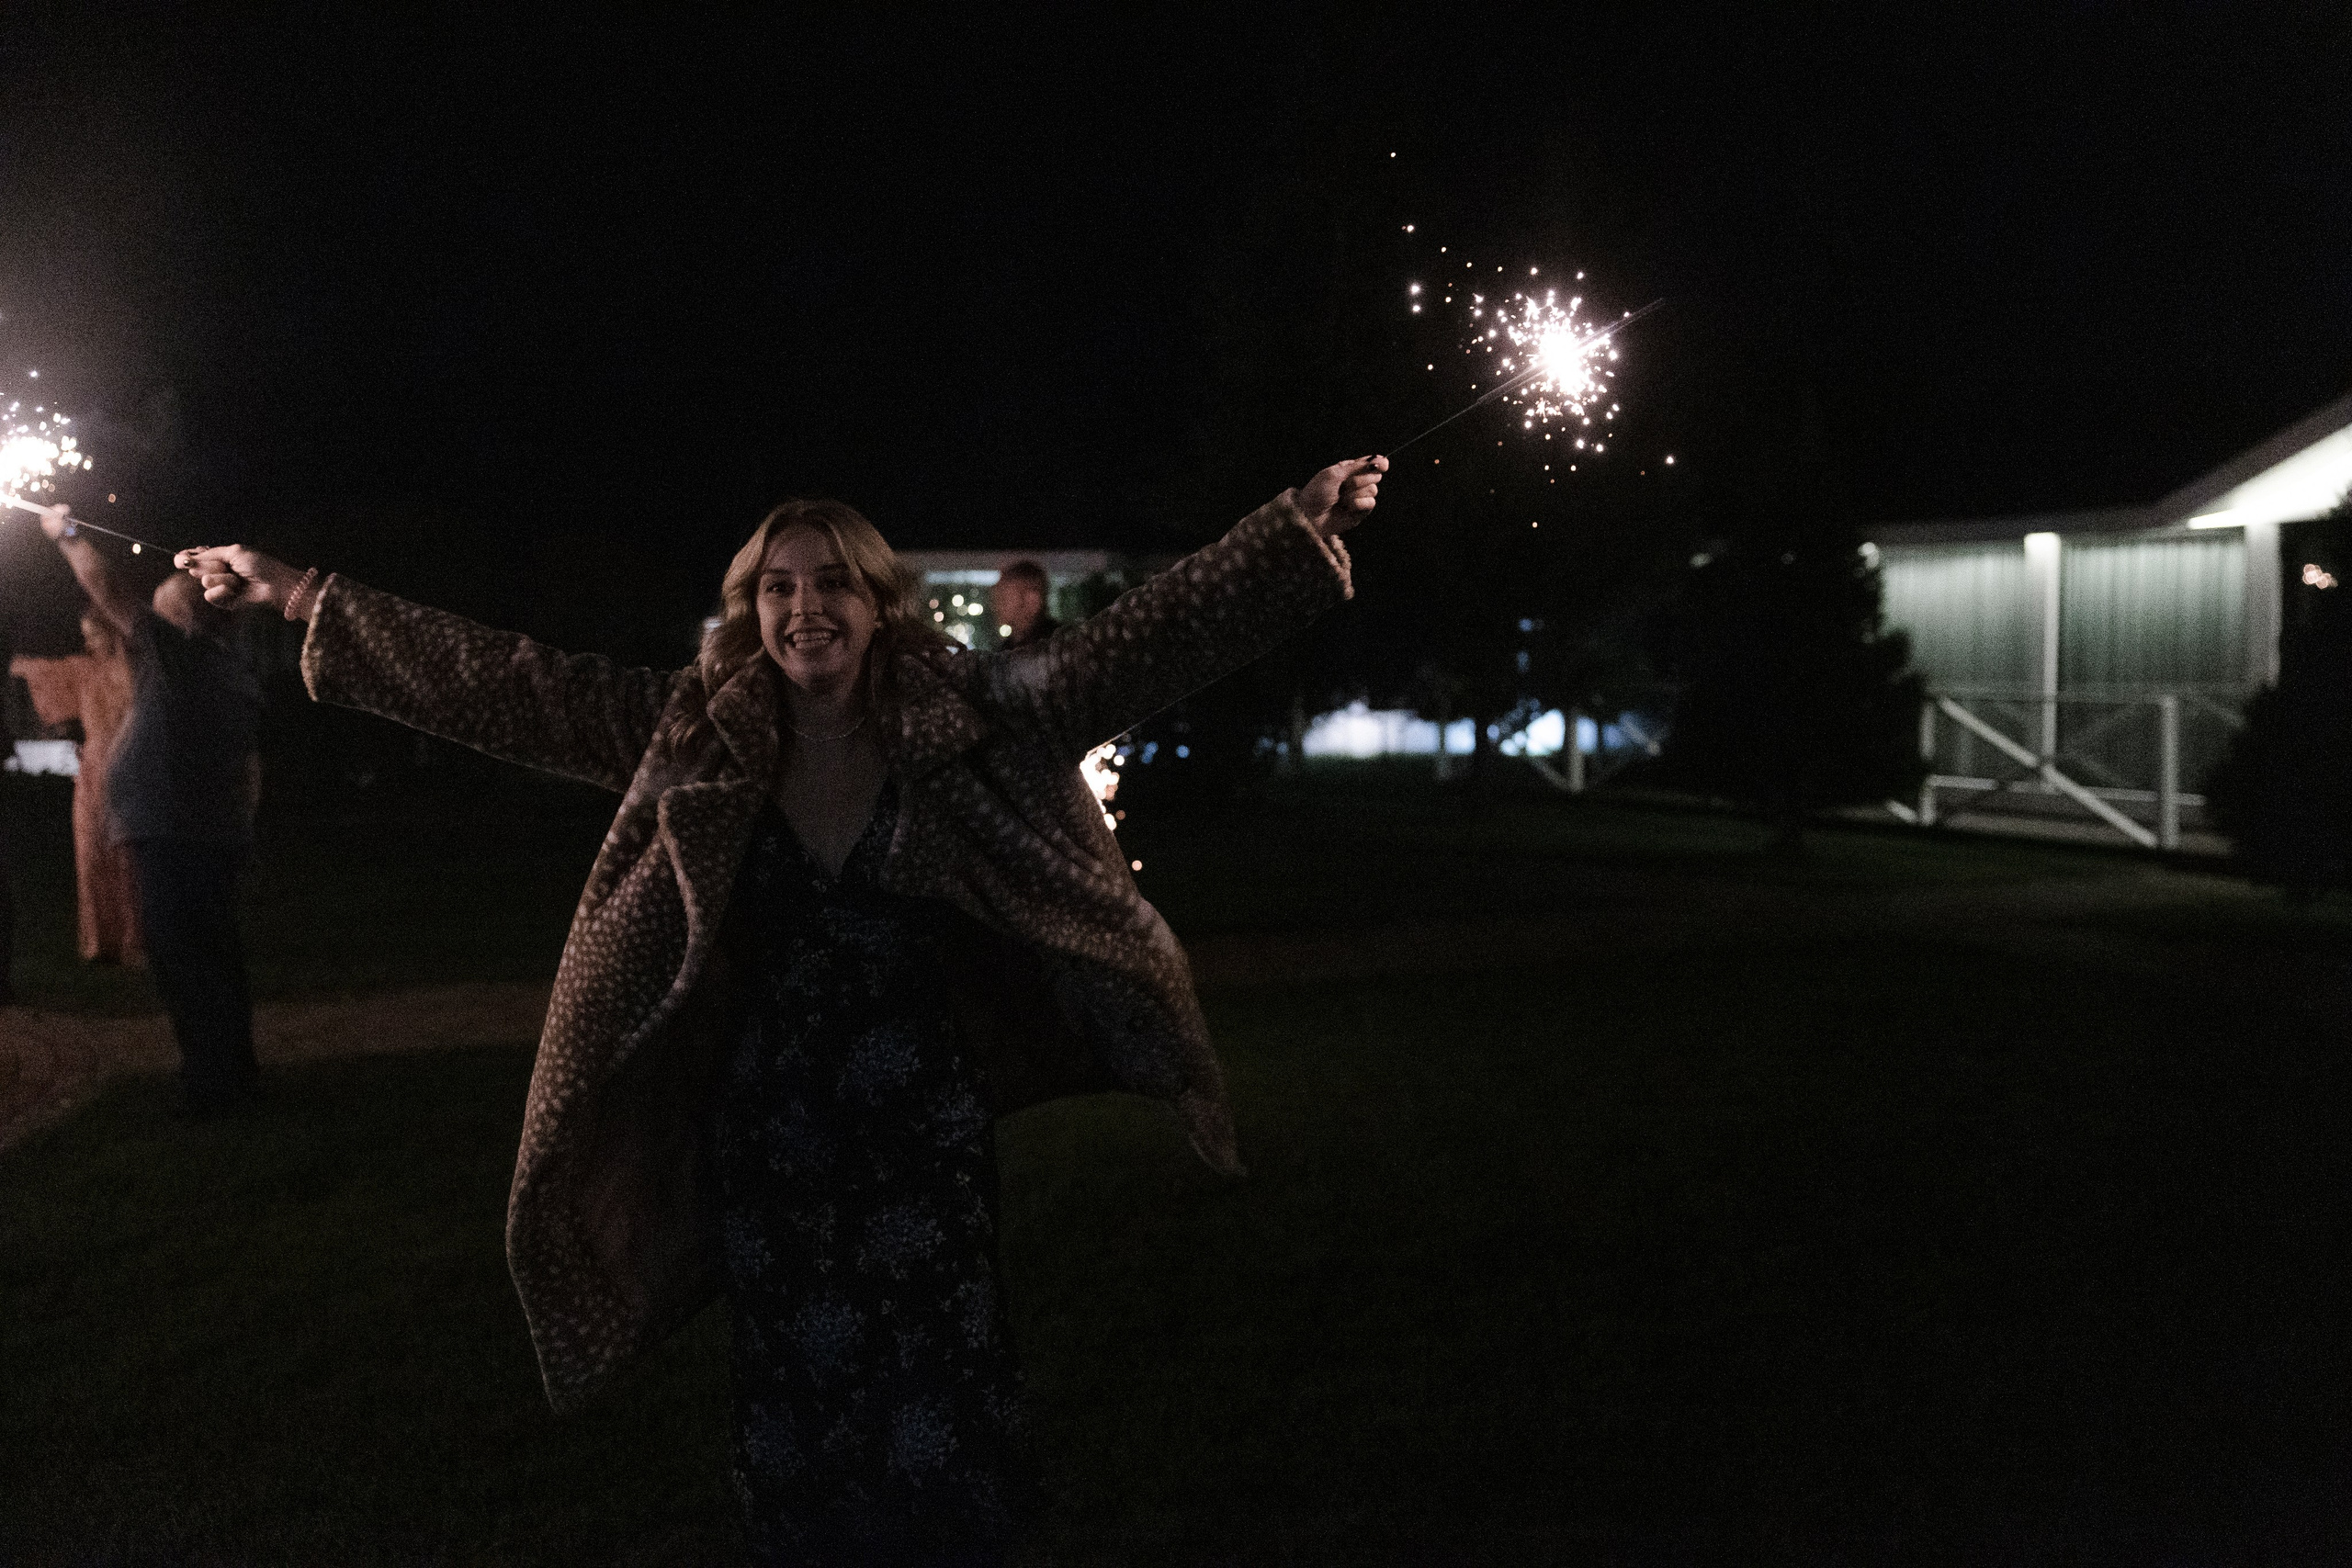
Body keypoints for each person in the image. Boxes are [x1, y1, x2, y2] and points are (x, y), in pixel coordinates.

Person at [176, 454, 1387, 1566]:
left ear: (879, 603)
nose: (807, 608)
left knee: (942, 1394)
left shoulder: (962, 713)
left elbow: (1131, 647)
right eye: (779, 588)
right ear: (752, 609)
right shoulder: (700, 726)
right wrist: (304, 596)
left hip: (923, 1135)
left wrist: (1285, 536)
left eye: (834, 584)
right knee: (802, 1413)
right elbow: (512, 685)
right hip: (773, 1137)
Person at [40, 506, 262, 1112]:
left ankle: (212, 1084)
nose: (148, 621)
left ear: (184, 620)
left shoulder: (182, 658)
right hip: (203, 831)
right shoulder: (226, 665)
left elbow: (108, 590)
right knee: (213, 955)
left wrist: (67, 535)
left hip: (174, 833)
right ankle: (230, 1071)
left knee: (184, 959)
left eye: (162, 610)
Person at [11, 609, 147, 964]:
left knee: (127, 856)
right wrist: (15, 662)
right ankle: (102, 942)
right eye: (85, 635)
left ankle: (134, 940)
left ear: (113, 633)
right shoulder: (85, 669)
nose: (88, 642)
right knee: (92, 855)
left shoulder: (139, 671)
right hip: (93, 770)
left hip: (130, 766)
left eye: (94, 635)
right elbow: (40, 670)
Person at [989, 559, 1056, 649]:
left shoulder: (1058, 646)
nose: (996, 607)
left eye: (1003, 599)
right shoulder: (1008, 647)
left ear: (1032, 601)